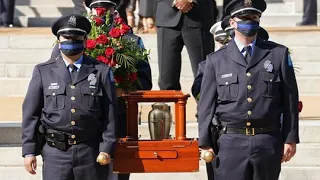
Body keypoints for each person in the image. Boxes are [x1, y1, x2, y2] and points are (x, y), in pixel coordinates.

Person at [198, 0, 299, 180]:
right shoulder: (216, 60)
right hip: (231, 143)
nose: (249, 21)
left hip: (267, 140)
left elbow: (289, 100)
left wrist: (290, 138)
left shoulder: (278, 54)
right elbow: (206, 106)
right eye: (244, 17)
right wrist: (205, 143)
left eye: (254, 17)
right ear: (232, 22)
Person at [22, 14, 117, 180]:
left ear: (85, 41)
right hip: (55, 153)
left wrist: (106, 148)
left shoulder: (101, 71)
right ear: (59, 41)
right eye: (66, 37)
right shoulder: (43, 71)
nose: (71, 41)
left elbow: (110, 113)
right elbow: (31, 113)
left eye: (77, 37)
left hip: (90, 152)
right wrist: (29, 151)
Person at [156, 0, 215, 90]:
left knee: (204, 74)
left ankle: (205, 103)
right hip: (167, 18)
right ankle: (169, 102)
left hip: (199, 17)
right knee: (167, 77)